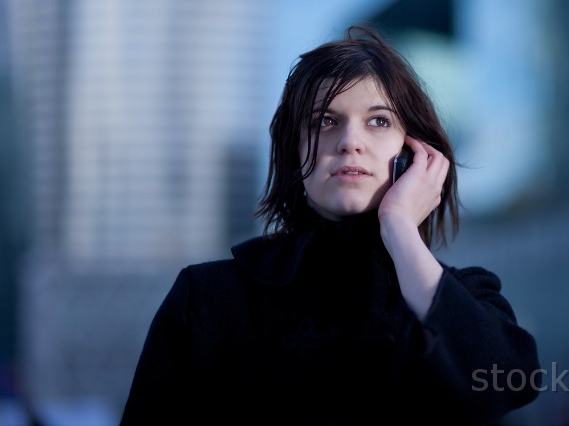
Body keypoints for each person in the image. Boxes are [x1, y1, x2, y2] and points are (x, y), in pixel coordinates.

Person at [121, 25, 541, 425]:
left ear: (413, 154)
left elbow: (505, 384)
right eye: (325, 120)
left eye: (378, 121)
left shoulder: (466, 297)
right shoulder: (209, 299)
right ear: (294, 150)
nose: (349, 142)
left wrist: (399, 228)